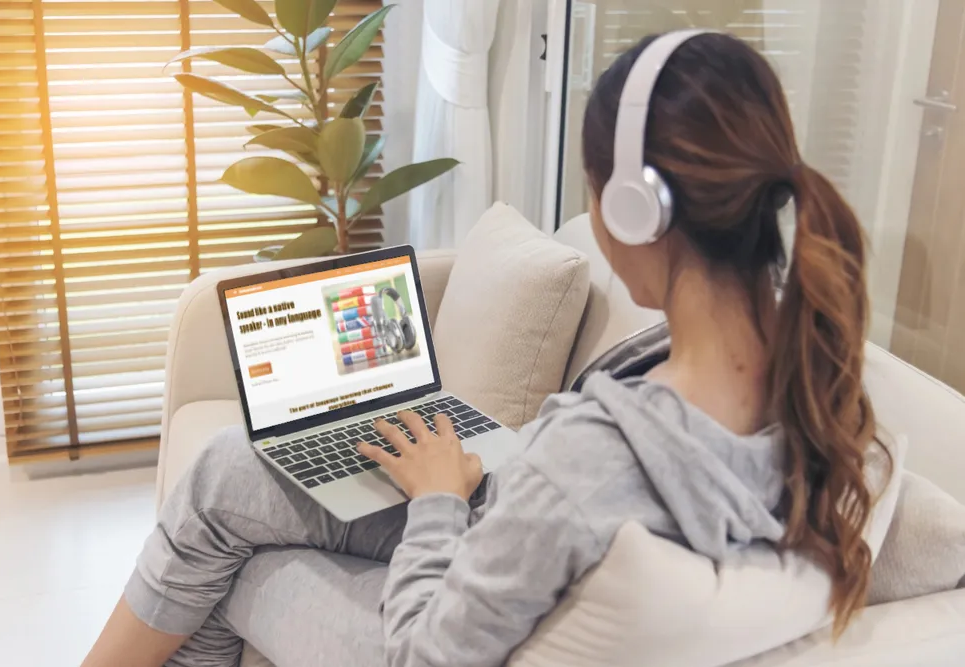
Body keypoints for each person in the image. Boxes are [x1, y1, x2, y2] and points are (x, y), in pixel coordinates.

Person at [83, 31, 885, 667]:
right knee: (232, 466)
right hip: (495, 504)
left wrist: (438, 497)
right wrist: (474, 475)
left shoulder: (592, 461)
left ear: (638, 209)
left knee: (229, 555)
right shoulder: (818, 373)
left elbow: (427, 653)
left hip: (462, 551)